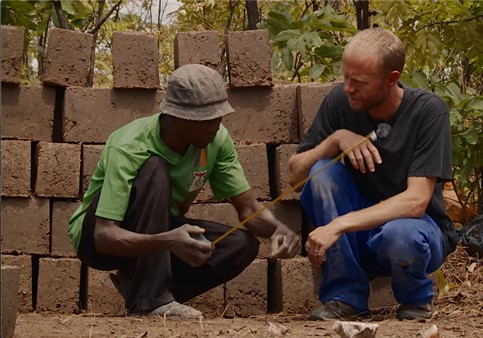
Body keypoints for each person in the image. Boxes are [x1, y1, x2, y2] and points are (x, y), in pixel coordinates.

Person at [68, 64, 300, 319]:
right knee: (155, 168)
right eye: (209, 118)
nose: (217, 125)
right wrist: (169, 240)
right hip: (98, 239)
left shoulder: (216, 139)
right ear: (181, 117)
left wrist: (280, 231)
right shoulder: (129, 145)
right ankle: (150, 300)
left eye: (219, 116)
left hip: (157, 232)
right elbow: (103, 235)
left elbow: (248, 209)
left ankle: (144, 291)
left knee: (239, 245)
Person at [288, 28, 458, 321]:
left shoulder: (429, 112)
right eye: (345, 77)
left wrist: (338, 225)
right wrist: (335, 139)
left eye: (358, 82)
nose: (347, 88)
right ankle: (345, 298)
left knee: (401, 233)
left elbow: (416, 202)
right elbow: (295, 177)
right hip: (358, 239)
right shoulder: (340, 103)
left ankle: (416, 300)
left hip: (415, 232)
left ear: (391, 79)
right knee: (321, 173)